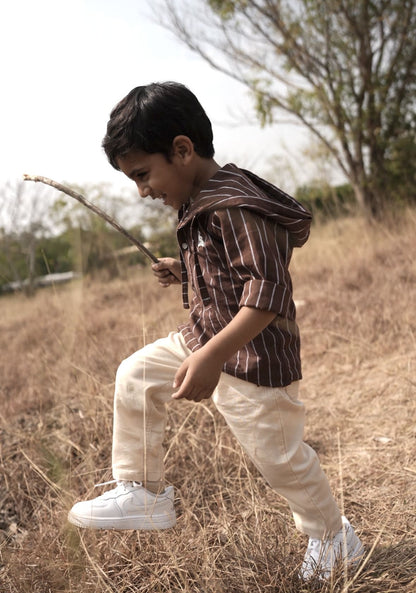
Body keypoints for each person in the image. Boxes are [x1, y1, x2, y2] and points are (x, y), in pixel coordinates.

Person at [68, 81, 364, 580]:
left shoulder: (235, 204)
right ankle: (143, 492)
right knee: (136, 375)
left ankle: (333, 536)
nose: (142, 191)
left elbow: (267, 294)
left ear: (182, 150)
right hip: (204, 335)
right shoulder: (196, 197)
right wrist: (184, 270)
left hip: (252, 357)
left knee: (282, 460)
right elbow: (228, 267)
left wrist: (209, 358)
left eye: (143, 175)